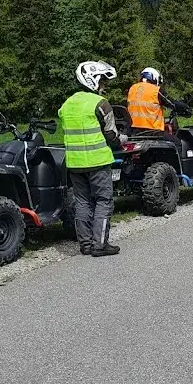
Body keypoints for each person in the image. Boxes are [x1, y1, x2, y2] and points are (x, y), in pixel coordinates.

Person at [58, 61, 121, 258]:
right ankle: (100, 245)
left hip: (75, 163)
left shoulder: (66, 105)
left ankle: (85, 245)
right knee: (103, 200)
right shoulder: (100, 103)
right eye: (102, 81)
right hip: (98, 161)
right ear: (93, 80)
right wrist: (121, 141)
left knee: (82, 202)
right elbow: (111, 134)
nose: (104, 85)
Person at [127, 68, 185, 134]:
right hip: (152, 131)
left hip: (133, 131)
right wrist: (184, 107)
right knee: (177, 143)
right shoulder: (156, 90)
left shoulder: (132, 88)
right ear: (154, 78)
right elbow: (171, 103)